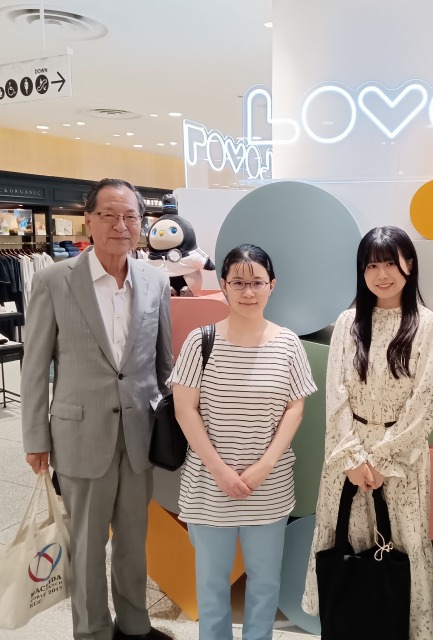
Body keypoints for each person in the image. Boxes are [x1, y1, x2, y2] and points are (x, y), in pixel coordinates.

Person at [21, 178, 174, 640]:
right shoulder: (54, 280)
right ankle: (91, 631)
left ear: (141, 223)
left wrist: (172, 423)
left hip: (139, 435)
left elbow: (163, 362)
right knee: (87, 546)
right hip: (80, 435)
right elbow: (35, 366)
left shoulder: (155, 280)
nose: (120, 225)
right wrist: (36, 439)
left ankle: (134, 624)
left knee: (133, 540)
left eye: (130, 216)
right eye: (109, 215)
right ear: (89, 220)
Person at [302, 226, 433, 640]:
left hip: (400, 461)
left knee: (400, 546)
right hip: (346, 458)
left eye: (389, 264)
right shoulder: (348, 322)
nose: (381, 274)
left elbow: (426, 403)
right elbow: (335, 396)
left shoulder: (429, 325)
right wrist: (351, 459)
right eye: (371, 266)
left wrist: (382, 461)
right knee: (347, 547)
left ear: (409, 265)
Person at [171, 244, 316, 640]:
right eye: (238, 283)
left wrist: (264, 467)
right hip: (208, 486)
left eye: (257, 283)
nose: (248, 292)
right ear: (223, 285)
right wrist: (220, 470)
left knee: (265, 583)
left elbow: (295, 409)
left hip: (268, 486)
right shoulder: (200, 341)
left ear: (272, 285)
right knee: (211, 586)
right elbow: (185, 410)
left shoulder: (288, 344)